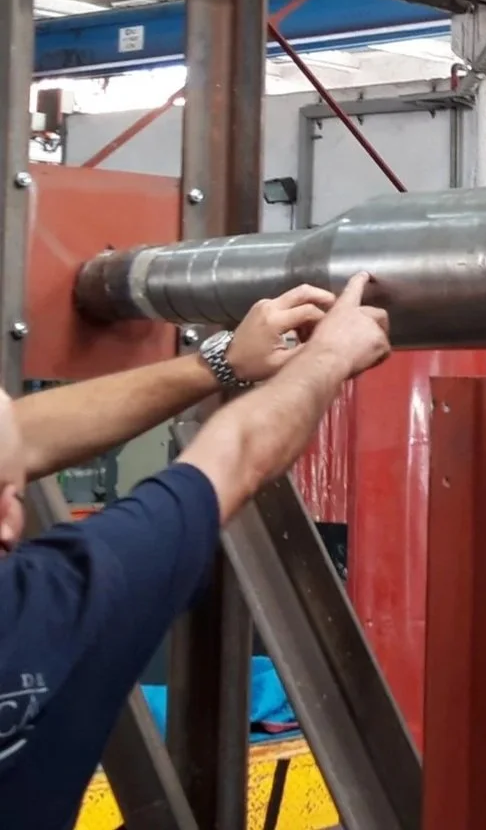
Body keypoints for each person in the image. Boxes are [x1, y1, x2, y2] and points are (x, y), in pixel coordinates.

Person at [0, 271, 392, 829]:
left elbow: (20, 434)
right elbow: (238, 457)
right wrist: (329, 355)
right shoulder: (51, 608)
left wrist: (219, 362)